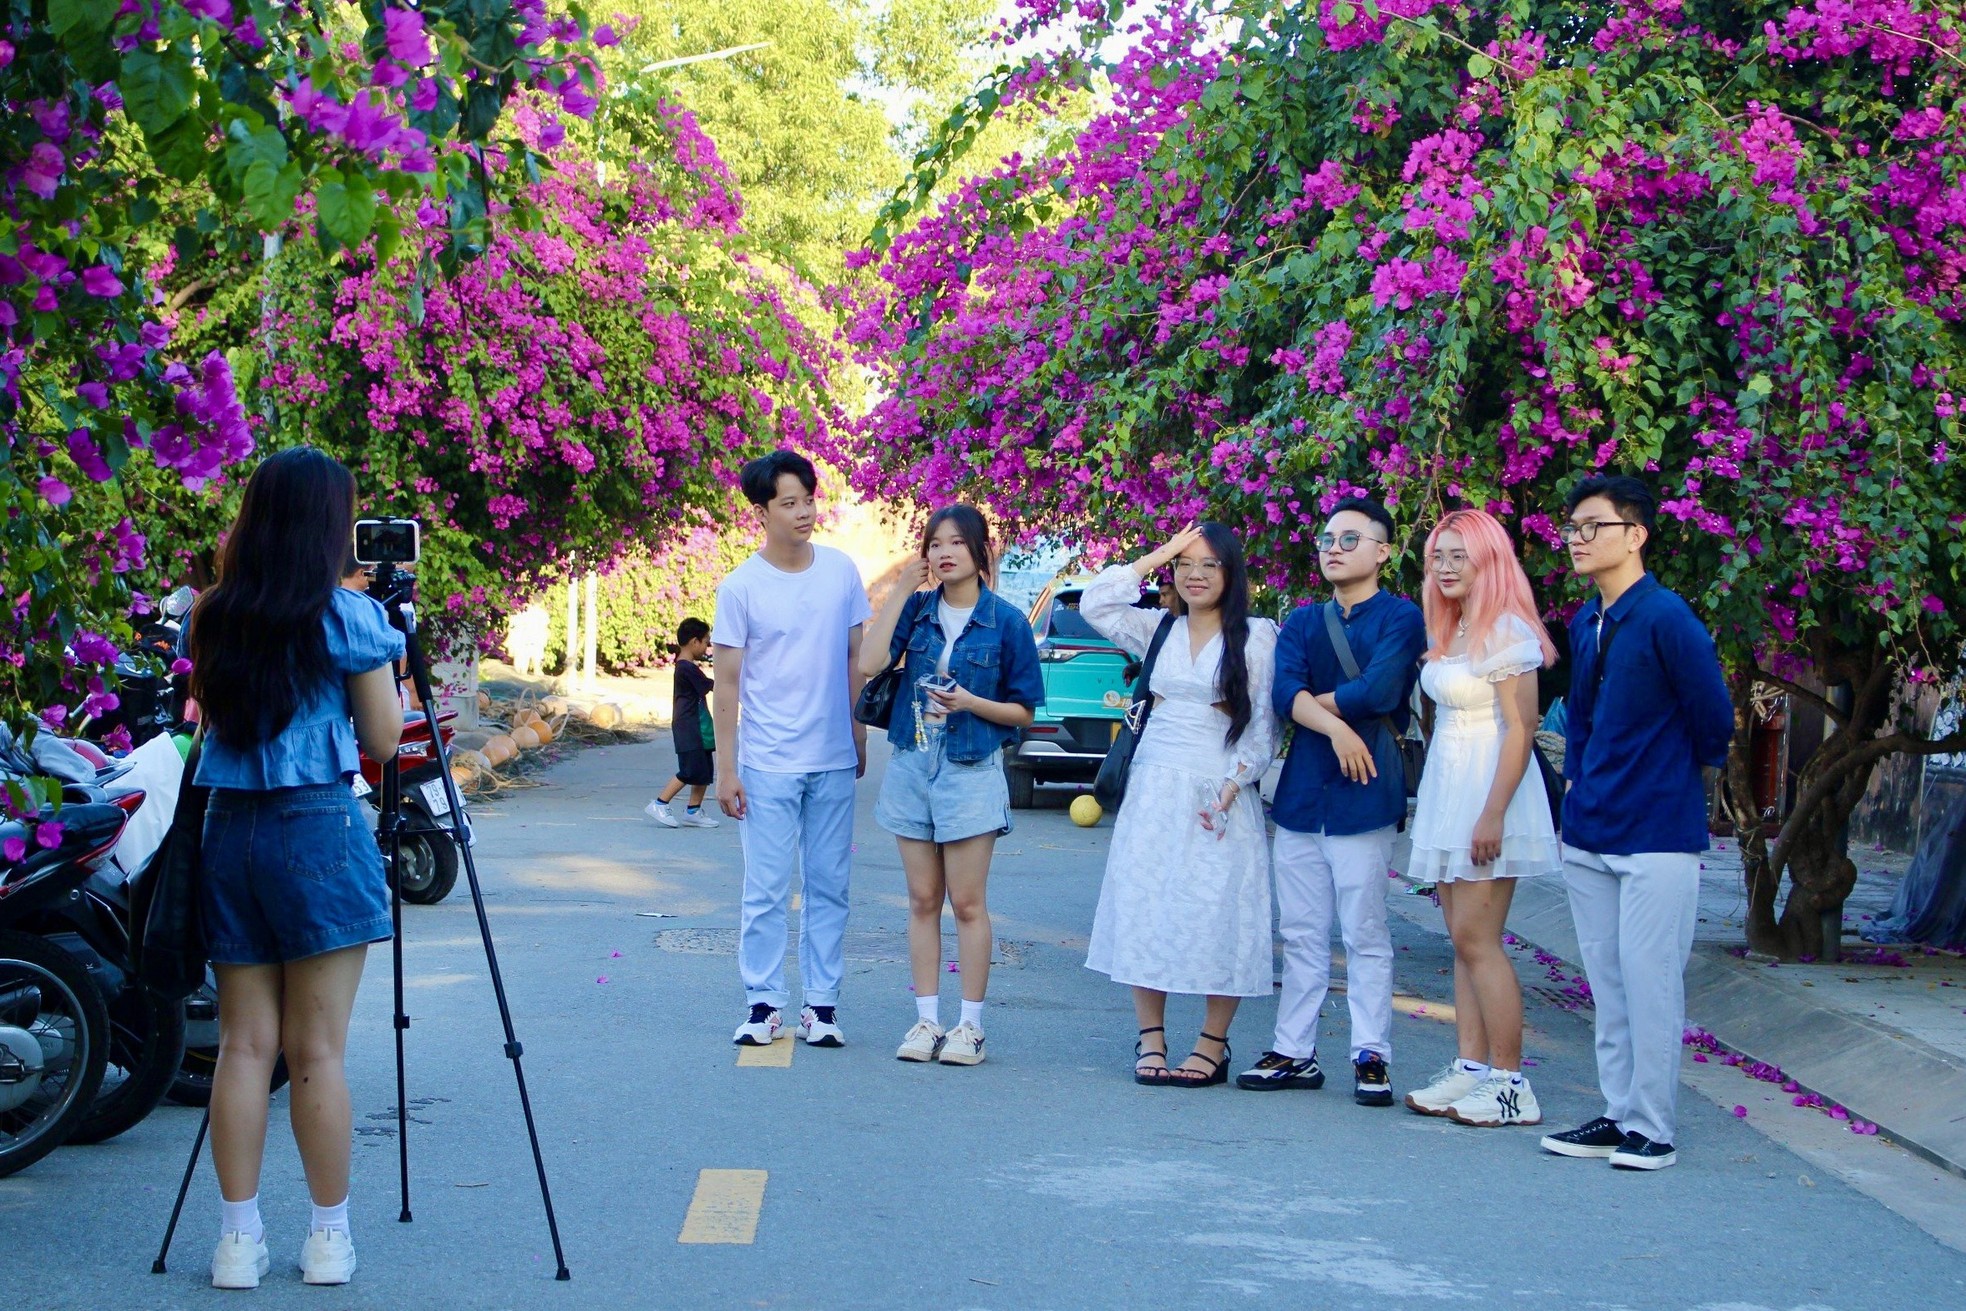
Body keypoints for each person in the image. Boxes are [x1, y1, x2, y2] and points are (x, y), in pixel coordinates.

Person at [186, 448, 406, 1289]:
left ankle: (236, 1242)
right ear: (328, 525)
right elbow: (384, 743)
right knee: (318, 1050)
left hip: (230, 827)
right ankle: (327, 1239)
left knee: (245, 1045)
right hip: (316, 824)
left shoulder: (215, 613)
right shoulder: (348, 619)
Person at [1540, 476, 1732, 1171]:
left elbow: (1715, 721)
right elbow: (1583, 724)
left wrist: (1664, 778)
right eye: (1572, 527)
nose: (1577, 538)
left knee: (1651, 980)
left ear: (1636, 534)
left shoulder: (1668, 618)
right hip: (1589, 831)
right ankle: (1619, 1111)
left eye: (1593, 525)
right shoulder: (1588, 622)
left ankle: (1654, 1125)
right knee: (1610, 981)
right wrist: (1579, 799)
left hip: (1657, 834)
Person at [1238, 498, 1426, 1105]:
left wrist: (1317, 714)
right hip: (1301, 796)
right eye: (1327, 537)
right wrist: (1338, 726)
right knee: (1300, 933)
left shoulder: (1402, 617)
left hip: (1367, 795)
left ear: (1383, 551)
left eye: (1350, 539)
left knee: (1365, 932)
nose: (1334, 548)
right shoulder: (1301, 620)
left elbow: (1380, 688)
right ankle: (1294, 1051)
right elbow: (1281, 691)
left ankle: (1372, 1054)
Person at [1081, 524, 1280, 1086]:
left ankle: (1213, 1044)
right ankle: (1151, 1038)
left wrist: (1235, 781)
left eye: (1210, 564)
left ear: (1232, 573)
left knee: (1219, 910)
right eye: (1185, 564)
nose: (1195, 574)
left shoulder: (1258, 636)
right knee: (1149, 903)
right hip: (1153, 786)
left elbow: (1264, 723)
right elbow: (1097, 601)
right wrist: (1157, 553)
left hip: (1220, 790)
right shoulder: (1158, 629)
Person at [860, 506, 1044, 1065]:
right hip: (914, 761)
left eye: (957, 543)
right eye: (935, 543)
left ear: (981, 552)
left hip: (970, 765)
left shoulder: (1007, 622)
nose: (945, 553)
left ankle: (970, 1027)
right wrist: (898, 594)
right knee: (921, 900)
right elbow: (870, 662)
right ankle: (924, 1021)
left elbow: (1024, 712)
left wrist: (969, 702)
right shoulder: (917, 611)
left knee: (966, 903)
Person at [1401, 509, 1561, 1127]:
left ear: (1488, 559)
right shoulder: (1454, 628)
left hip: (1490, 791)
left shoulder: (1507, 630)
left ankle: (1510, 1083)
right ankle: (1471, 1070)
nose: (1443, 567)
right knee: (1462, 942)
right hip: (1449, 785)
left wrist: (1493, 812)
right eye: (1436, 556)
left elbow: (1522, 729)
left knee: (1479, 940)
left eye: (1457, 556)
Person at [714, 450, 871, 1048]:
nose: (805, 512)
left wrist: (857, 736)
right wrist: (726, 769)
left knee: (831, 884)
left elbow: (857, 661)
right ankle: (762, 1004)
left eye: (809, 499)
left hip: (831, 757)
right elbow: (726, 684)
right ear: (763, 511)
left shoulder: (839, 572)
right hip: (768, 762)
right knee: (766, 888)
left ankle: (821, 1007)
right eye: (790, 503)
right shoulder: (741, 586)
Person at [646, 618, 719, 829]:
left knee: (704, 770)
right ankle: (660, 803)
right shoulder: (685, 668)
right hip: (689, 727)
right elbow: (709, 685)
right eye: (706, 642)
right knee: (689, 770)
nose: (707, 647)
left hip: (700, 726)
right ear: (694, 642)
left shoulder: (689, 667)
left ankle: (693, 810)